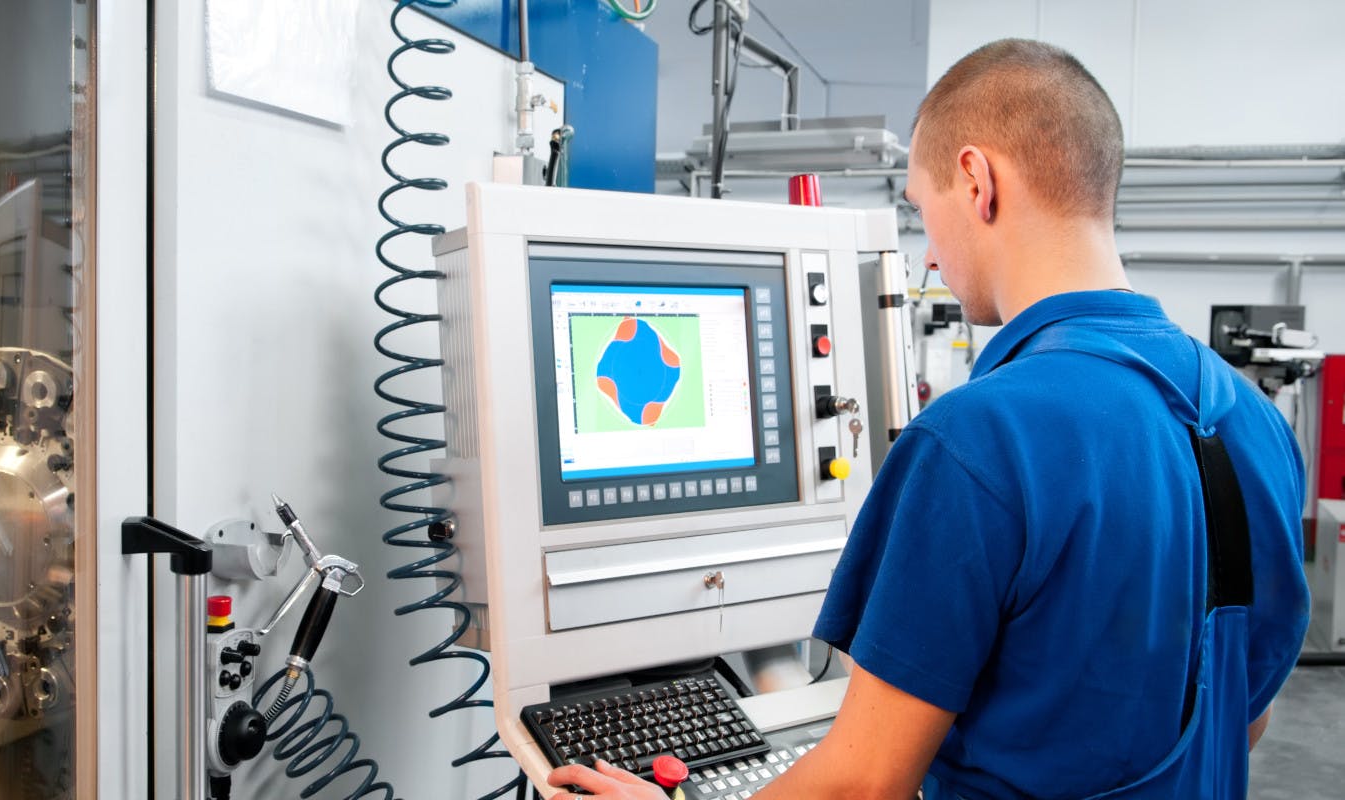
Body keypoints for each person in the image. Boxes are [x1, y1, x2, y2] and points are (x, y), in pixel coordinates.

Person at [547, 38, 1309, 800]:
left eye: (923, 207)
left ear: (977, 181)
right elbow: (1244, 718)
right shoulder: (1250, 419)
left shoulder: (978, 439)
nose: (932, 257)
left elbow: (865, 784)